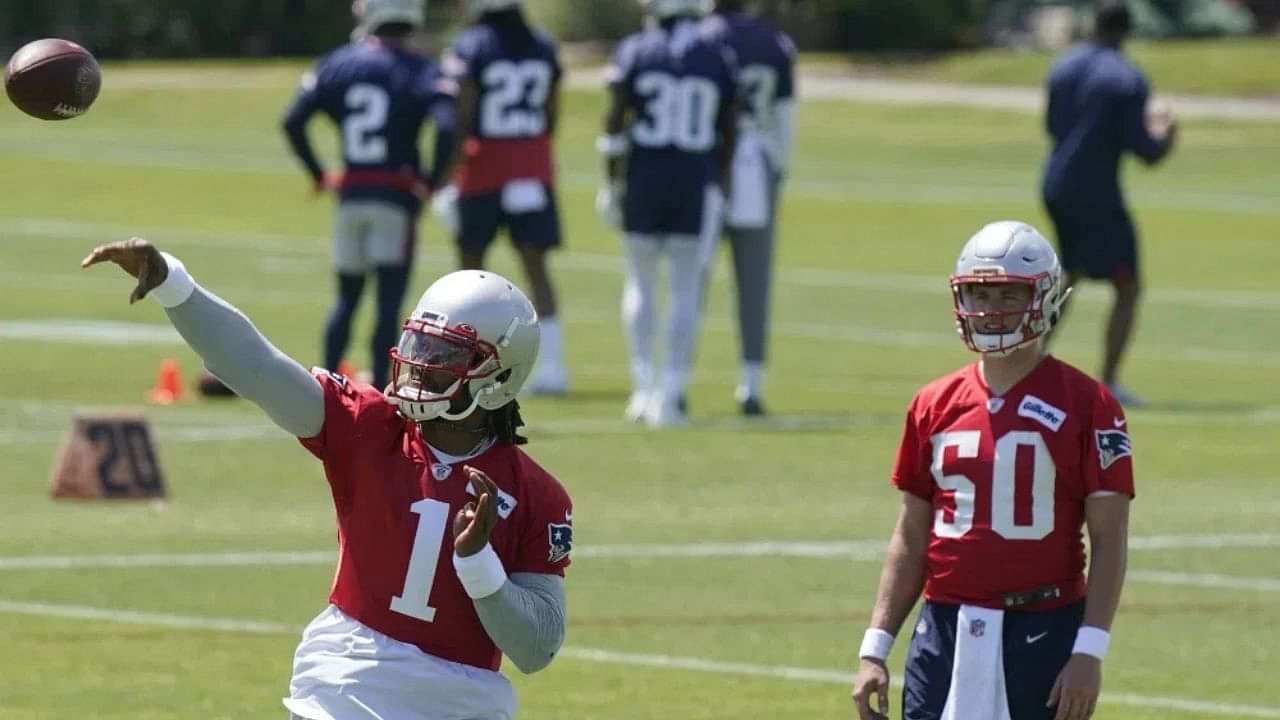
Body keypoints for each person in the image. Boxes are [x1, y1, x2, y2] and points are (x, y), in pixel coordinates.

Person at [82, 238, 572, 720]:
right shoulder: (367, 425)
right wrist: (174, 283)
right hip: (346, 682)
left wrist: (476, 562)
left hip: (461, 703)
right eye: (421, 344)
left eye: (445, 357)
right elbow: (255, 367)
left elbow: (535, 650)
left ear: (498, 377)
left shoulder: (534, 494)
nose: (420, 365)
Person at [850, 221, 1134, 720]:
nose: (991, 309)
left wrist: (1090, 650)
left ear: (1045, 299)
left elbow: (1109, 539)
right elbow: (912, 538)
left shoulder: (1090, 404)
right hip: (943, 626)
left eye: (1009, 294)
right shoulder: (933, 403)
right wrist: (876, 645)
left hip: (1043, 627)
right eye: (980, 294)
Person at [282, 0, 457, 390]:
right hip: (395, 195)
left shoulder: (339, 62)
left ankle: (327, 387)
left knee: (346, 299)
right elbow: (447, 126)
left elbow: (293, 120)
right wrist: (430, 181)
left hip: (351, 193)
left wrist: (318, 173)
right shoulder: (421, 68)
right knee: (388, 305)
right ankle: (379, 389)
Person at [598, 0, 738, 427]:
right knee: (684, 289)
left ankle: (644, 387)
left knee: (639, 281)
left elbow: (615, 121)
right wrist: (721, 184)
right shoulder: (717, 56)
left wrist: (610, 181)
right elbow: (729, 128)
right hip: (692, 181)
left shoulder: (636, 50)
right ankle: (672, 391)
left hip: (645, 177)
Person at [1040, 0, 1177, 407]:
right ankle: (1110, 382)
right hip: (1097, 192)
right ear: (1126, 31)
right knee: (1127, 284)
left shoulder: (1063, 66)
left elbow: (1051, 125)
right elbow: (1146, 151)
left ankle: (1023, 364)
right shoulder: (1126, 78)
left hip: (1056, 183)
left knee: (1069, 275)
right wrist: (1166, 133)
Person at [433, 0, 569, 396]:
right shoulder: (542, 45)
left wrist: (447, 176)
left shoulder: (472, 45)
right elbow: (551, 113)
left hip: (483, 168)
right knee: (537, 269)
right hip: (530, 164)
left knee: (468, 274)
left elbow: (461, 115)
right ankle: (554, 368)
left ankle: (465, 365)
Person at [707, 0, 796, 416]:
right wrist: (777, 167)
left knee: (690, 277)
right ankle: (751, 382)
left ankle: (669, 381)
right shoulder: (775, 42)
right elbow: (784, 118)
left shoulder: (701, 37)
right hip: (757, 162)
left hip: (704, 163)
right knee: (754, 277)